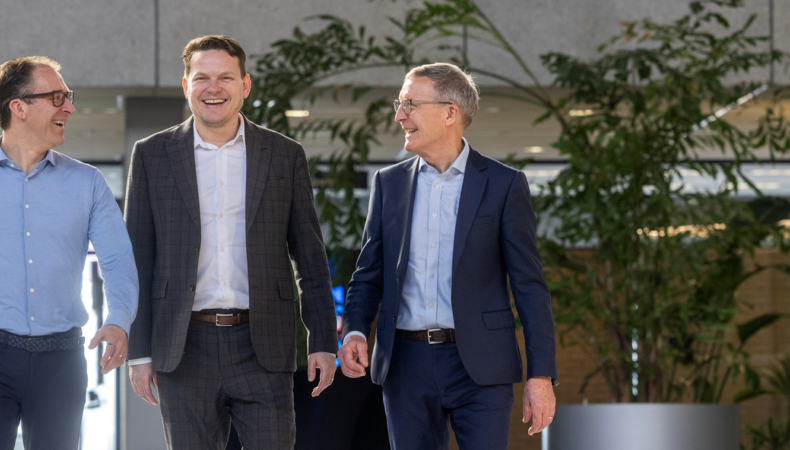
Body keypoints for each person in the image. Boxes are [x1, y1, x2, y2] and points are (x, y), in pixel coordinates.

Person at [123, 35, 338, 450]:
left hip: (263, 345)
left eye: (225, 77)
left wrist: (323, 341)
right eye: (202, 78)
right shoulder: (152, 154)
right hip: (183, 346)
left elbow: (310, 257)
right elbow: (138, 259)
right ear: (186, 86)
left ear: (245, 85)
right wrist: (139, 352)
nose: (213, 88)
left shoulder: (284, 155)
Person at [0, 56, 138, 450]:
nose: (69, 108)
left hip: (61, 361)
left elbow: (118, 260)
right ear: (19, 107)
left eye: (68, 97)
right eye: (57, 98)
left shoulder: (88, 183)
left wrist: (119, 319)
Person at [339, 63, 559, 449]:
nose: (399, 115)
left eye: (410, 104)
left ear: (450, 113)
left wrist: (540, 375)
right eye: (399, 103)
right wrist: (355, 329)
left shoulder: (504, 185)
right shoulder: (388, 184)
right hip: (405, 364)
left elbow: (529, 287)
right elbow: (368, 273)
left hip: (482, 367)